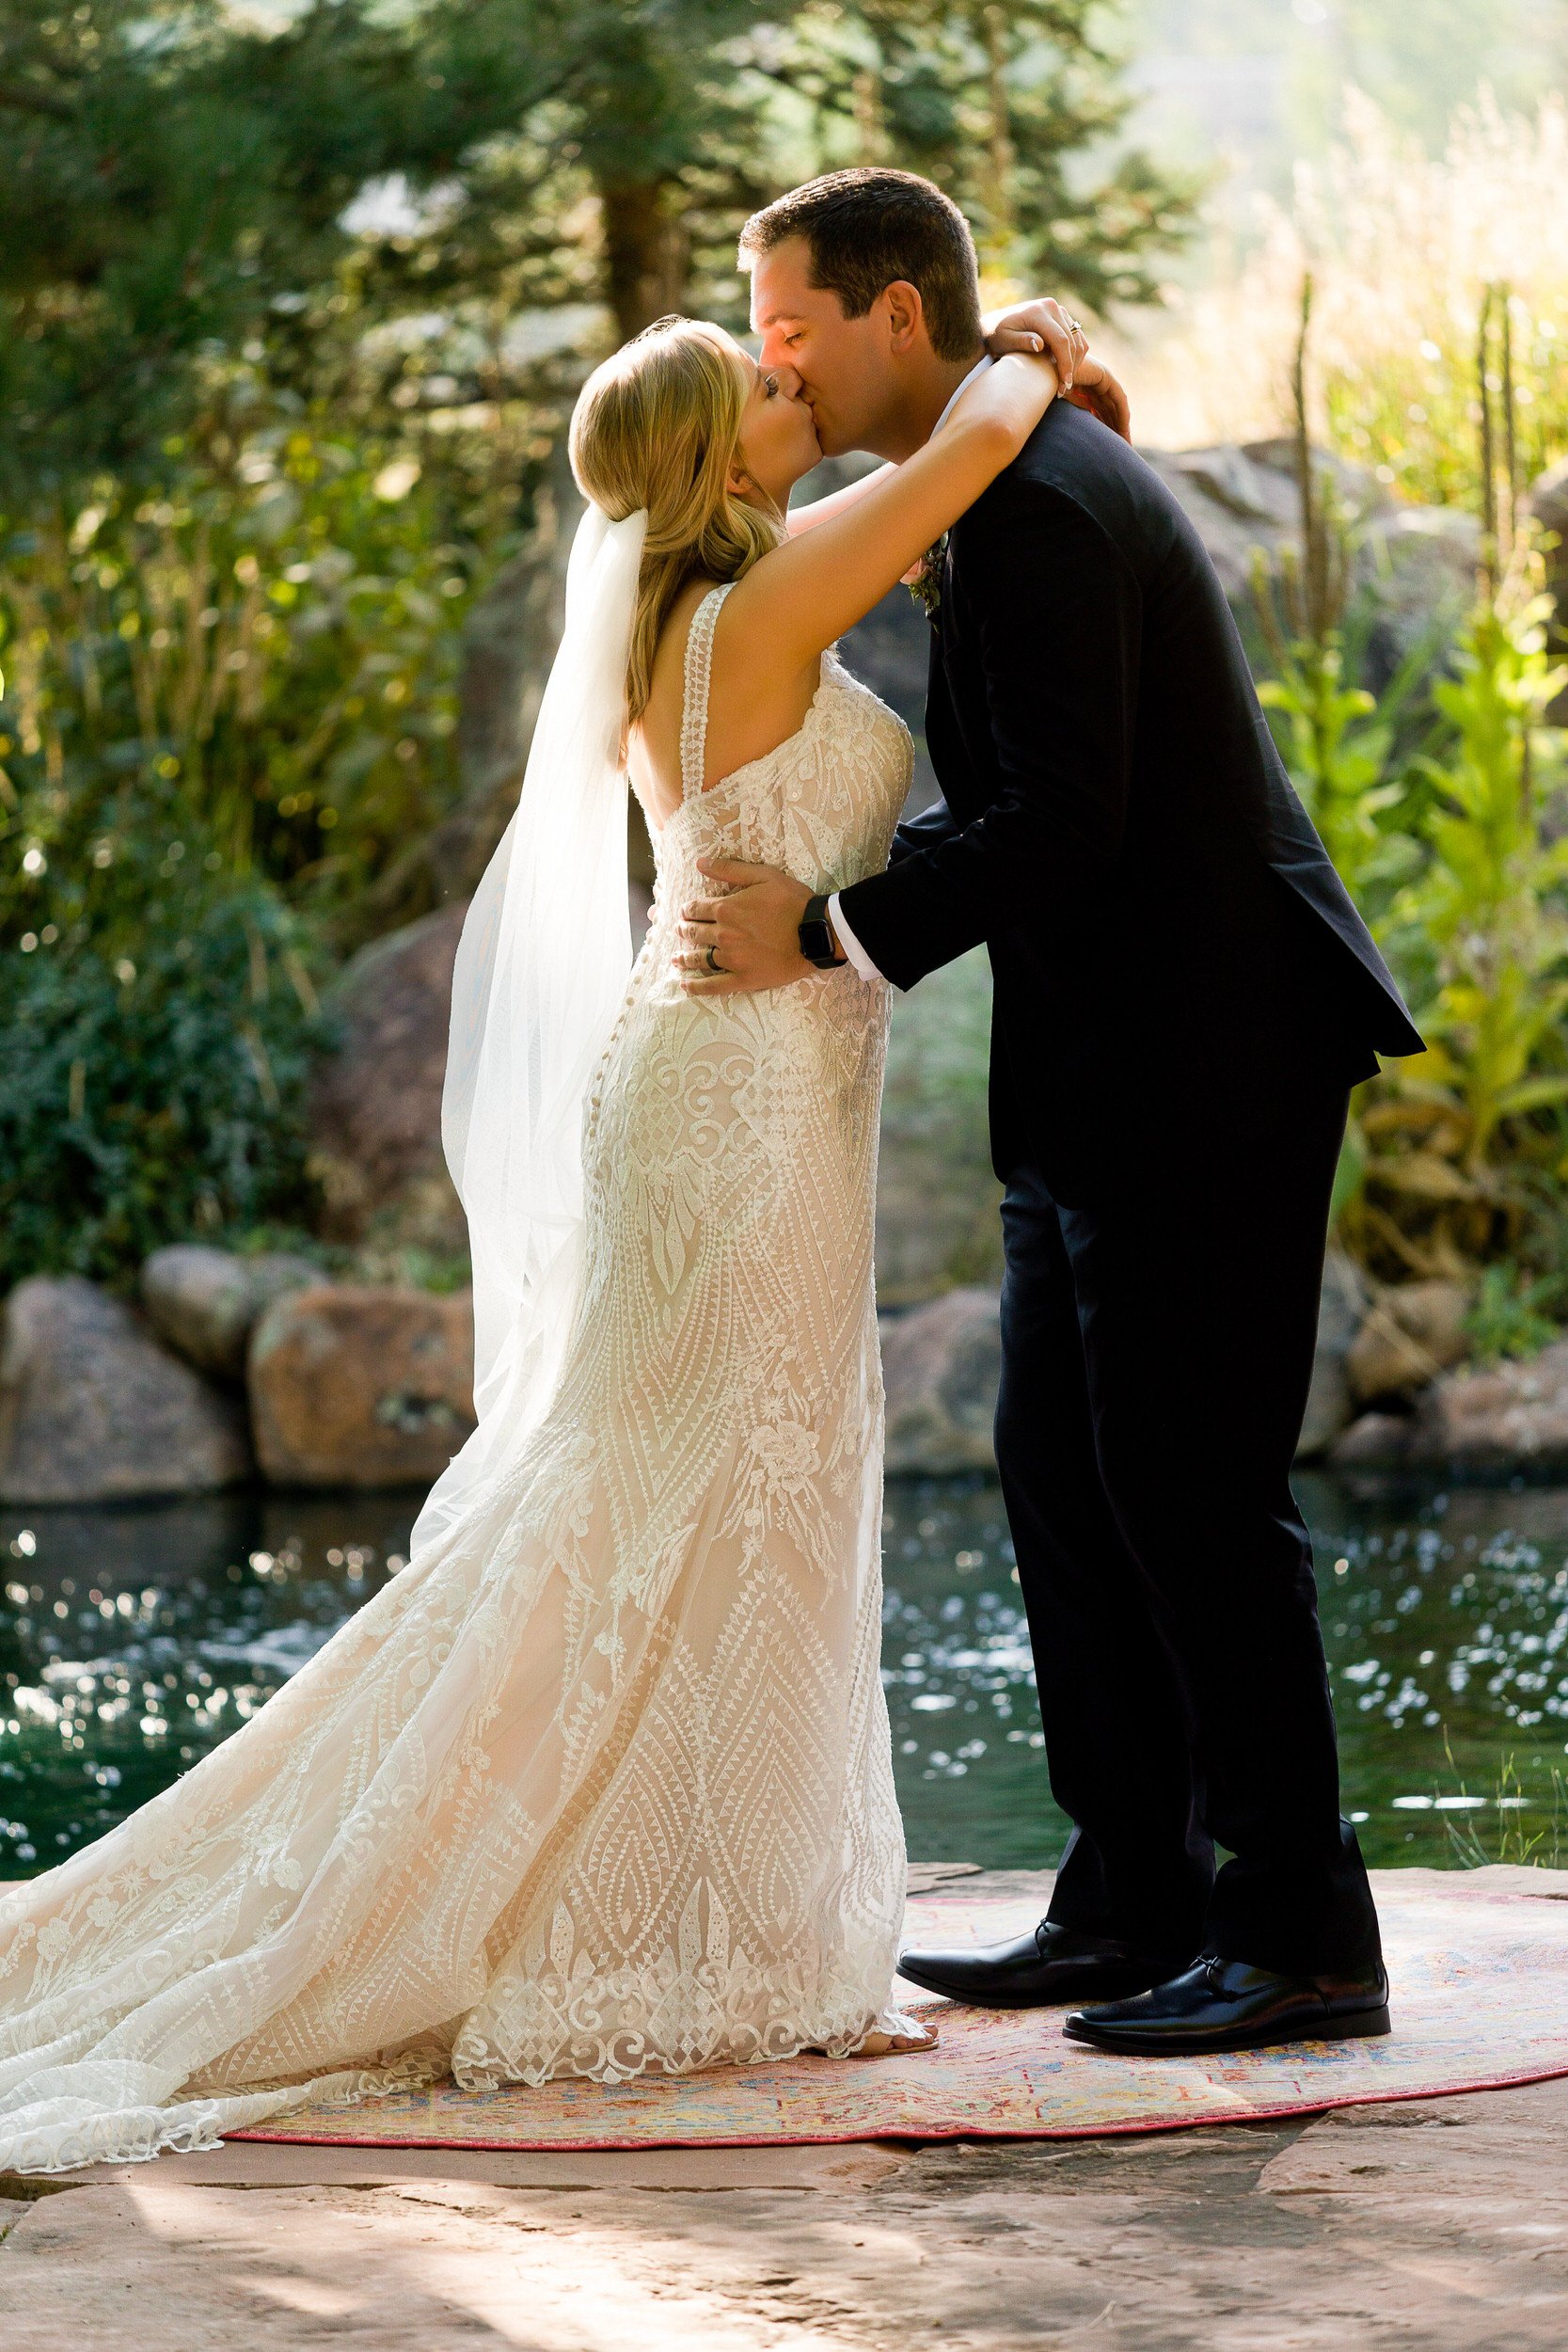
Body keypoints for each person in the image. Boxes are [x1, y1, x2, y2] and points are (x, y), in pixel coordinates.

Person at [0, 289, 1098, 2173]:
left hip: (744, 1087)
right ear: (703, 457)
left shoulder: (701, 605)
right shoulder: (750, 608)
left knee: (716, 1497)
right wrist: (1040, 342)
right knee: (687, 1497)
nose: (785, 383)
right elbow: (972, 450)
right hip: (736, 1103)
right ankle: (637, 1927)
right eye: (752, 384)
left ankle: (719, 1915)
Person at [680, 167, 1425, 2058]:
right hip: (1106, 1074)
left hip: (1218, 1057)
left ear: (894, 319)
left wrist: (825, 925)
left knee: (1192, 1490)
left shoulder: (1042, 511)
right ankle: (1132, 1890)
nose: (776, 353)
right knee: (1067, 1478)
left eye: (791, 324)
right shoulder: (989, 485)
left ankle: (1303, 1928)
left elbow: (1067, 823)